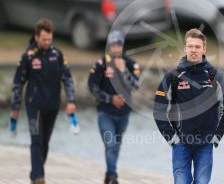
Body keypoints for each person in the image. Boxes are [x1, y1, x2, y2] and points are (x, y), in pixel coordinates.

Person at [153, 28, 224, 184]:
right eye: (190, 46)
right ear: (185, 48)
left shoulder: (215, 76)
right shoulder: (172, 76)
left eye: (197, 47)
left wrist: (216, 137)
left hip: (205, 144)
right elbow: (158, 110)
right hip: (181, 143)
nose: (193, 50)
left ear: (204, 49)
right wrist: (172, 138)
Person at [10, 19, 76, 184]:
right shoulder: (28, 57)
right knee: (36, 140)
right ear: (37, 37)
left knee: (45, 142)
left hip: (53, 105)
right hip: (34, 106)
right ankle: (40, 177)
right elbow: (18, 83)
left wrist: (71, 101)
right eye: (44, 39)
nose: (47, 42)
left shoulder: (58, 55)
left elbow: (67, 79)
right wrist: (15, 107)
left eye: (49, 39)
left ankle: (35, 176)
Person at [88, 30, 140, 184]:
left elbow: (135, 85)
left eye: (119, 45)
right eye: (113, 45)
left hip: (124, 114)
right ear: (109, 46)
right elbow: (92, 87)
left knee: (115, 146)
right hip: (105, 113)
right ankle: (112, 176)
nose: (116, 48)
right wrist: (110, 99)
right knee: (110, 144)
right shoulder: (99, 64)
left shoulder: (131, 64)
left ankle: (108, 176)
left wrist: (123, 70)